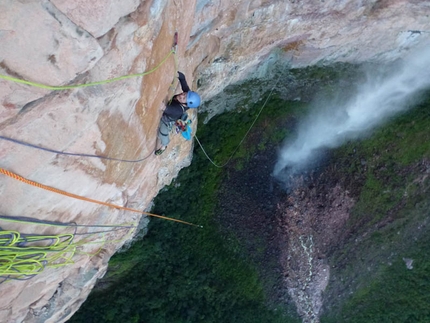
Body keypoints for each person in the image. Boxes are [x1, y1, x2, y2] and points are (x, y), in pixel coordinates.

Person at [155, 71, 201, 155]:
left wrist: (161, 104)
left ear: (185, 104)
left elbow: (165, 108)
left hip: (168, 119)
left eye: (184, 98)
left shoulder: (178, 109)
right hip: (175, 113)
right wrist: (176, 73)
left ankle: (164, 145)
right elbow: (182, 78)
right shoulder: (187, 96)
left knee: (162, 132)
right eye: (184, 94)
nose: (181, 96)